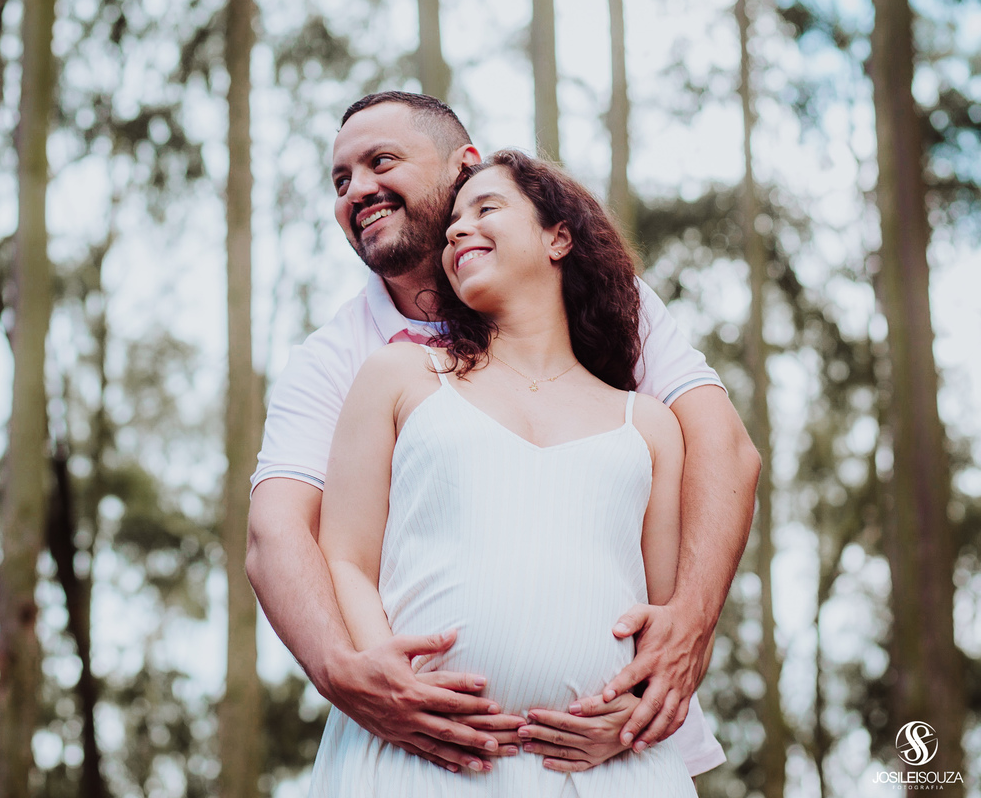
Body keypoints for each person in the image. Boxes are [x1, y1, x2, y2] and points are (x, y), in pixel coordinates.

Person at [246, 92, 759, 774]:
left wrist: (689, 626)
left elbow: (724, 448)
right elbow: (276, 534)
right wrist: (351, 671)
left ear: (464, 167)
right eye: (341, 181)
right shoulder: (346, 359)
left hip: (609, 758)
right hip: (422, 763)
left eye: (381, 161)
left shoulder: (607, 306)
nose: (357, 190)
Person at [309, 149, 704, 795]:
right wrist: (385, 675)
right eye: (452, 225)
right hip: (421, 765)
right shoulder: (399, 376)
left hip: (610, 774)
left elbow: (667, 621)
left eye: (485, 209)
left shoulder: (650, 425)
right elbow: (344, 555)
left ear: (558, 236)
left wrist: (635, 718)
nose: (459, 230)